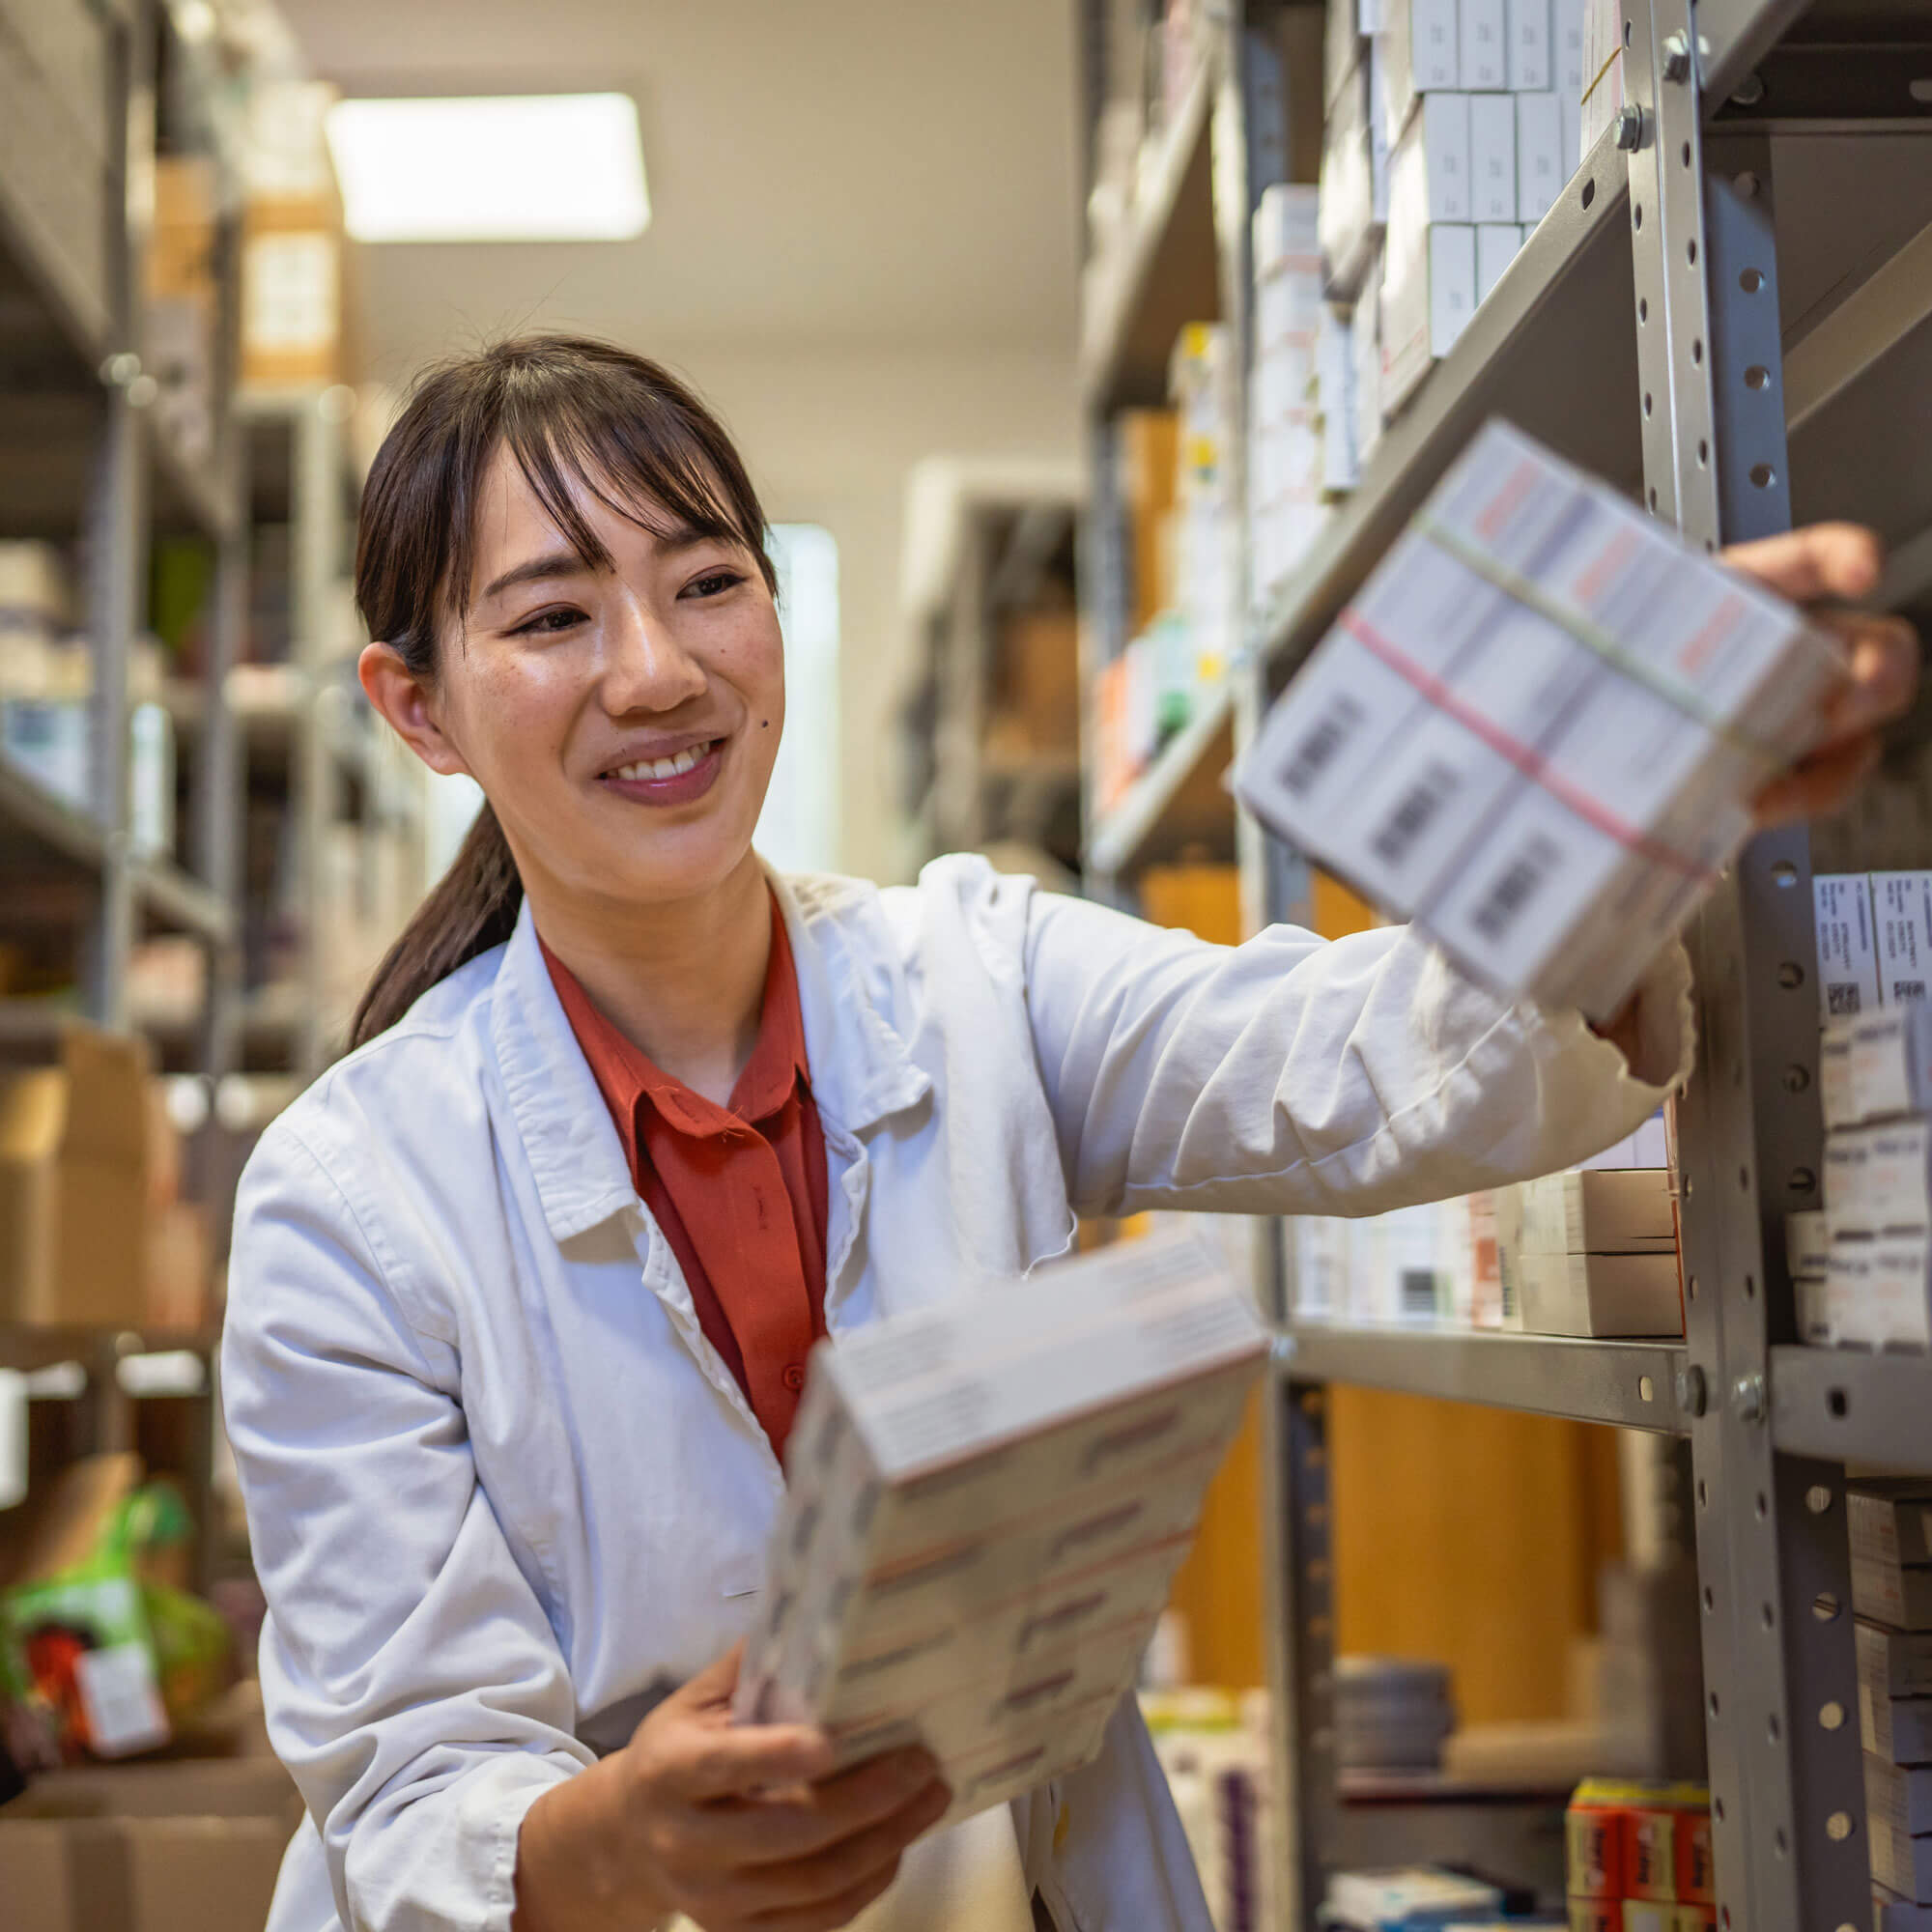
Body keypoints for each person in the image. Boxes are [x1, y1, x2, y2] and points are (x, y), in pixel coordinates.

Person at [221, 334, 1918, 1932]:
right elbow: (411, 1794)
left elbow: (1344, 1058)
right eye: (552, 620)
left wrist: (1615, 810)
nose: (657, 674)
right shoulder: (350, 1198)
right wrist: (632, 1838)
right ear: (418, 708)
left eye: (709, 584)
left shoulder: (977, 971)